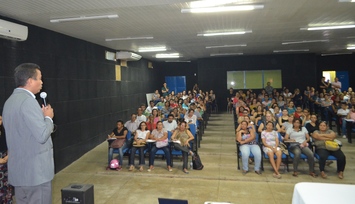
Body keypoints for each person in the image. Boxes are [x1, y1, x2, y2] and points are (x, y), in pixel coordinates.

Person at [2, 63, 55, 203]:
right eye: (40, 78)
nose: (42, 82)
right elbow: (42, 135)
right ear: (30, 81)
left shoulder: (10, 102)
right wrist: (48, 117)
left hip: (20, 174)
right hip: (36, 175)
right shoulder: (28, 102)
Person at [0, 116, 14, 203]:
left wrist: (8, 155)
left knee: (7, 188)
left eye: (1, 119)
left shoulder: (4, 131)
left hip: (6, 162)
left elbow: (10, 144)